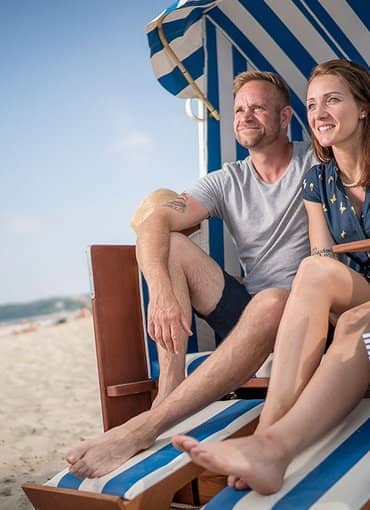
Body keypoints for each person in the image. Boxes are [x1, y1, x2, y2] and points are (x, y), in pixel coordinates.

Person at [65, 70, 316, 478]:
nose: (245, 116)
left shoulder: (316, 162)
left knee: (274, 301)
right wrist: (162, 293)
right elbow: (152, 223)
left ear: (285, 116)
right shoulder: (227, 180)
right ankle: (169, 387)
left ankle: (143, 427)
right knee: (175, 245)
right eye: (239, 109)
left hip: (306, 308)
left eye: (257, 107)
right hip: (251, 312)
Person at [173, 59, 370, 495]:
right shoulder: (318, 179)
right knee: (316, 269)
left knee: (359, 325)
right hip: (354, 294)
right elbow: (324, 259)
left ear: (362, 108)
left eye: (333, 100)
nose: (319, 112)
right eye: (313, 103)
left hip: (362, 311)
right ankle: (266, 438)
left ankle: (270, 444)